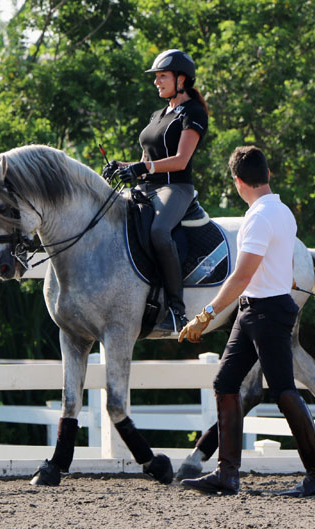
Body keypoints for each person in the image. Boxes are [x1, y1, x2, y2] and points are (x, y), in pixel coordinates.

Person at [177, 146, 315, 497]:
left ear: (237, 182)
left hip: (266, 313)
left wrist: (205, 315)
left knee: (283, 390)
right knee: (225, 382)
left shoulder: (259, 218)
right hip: (252, 311)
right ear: (267, 175)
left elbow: (241, 275)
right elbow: (280, 264)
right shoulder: (283, 212)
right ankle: (227, 474)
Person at [103, 49, 209, 333]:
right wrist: (121, 166)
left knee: (160, 232)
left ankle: (176, 311)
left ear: (181, 79)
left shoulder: (193, 113)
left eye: (162, 76)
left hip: (175, 188)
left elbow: (180, 160)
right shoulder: (158, 114)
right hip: (146, 187)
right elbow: (144, 161)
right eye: (156, 77)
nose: (156, 82)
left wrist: (143, 168)